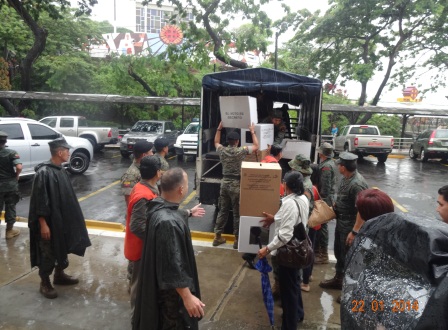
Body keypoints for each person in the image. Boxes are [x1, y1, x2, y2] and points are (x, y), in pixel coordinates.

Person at [133, 168, 205, 330]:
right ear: (181, 189)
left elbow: (172, 211)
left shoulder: (156, 206)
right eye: (187, 184)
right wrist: (187, 297)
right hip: (171, 296)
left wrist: (188, 213)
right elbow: (172, 265)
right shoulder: (168, 223)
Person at [28, 137, 91, 299]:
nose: (69, 153)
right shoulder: (43, 173)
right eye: (67, 151)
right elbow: (39, 201)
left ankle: (59, 275)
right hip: (48, 222)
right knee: (47, 252)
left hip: (61, 220)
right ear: (60, 152)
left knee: (62, 246)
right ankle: (45, 282)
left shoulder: (60, 169)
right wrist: (43, 224)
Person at [258, 171, 310, 329]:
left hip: (289, 253)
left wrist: (267, 249)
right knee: (294, 284)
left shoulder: (288, 203)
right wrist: (276, 218)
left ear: (286, 185)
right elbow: (295, 219)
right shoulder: (302, 198)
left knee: (288, 292)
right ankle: (298, 313)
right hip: (300, 249)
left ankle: (289, 324)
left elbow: (285, 235)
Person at [319, 152, 368, 291]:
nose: (337, 166)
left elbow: (362, 211)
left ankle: (349, 291)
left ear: (343, 167)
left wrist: (354, 231)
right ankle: (339, 280)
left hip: (350, 226)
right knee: (340, 253)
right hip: (341, 223)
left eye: (339, 164)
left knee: (350, 258)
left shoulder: (357, 184)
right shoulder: (346, 178)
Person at [125, 155, 161, 324]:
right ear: (158, 172)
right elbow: (137, 226)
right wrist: (155, 238)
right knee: (137, 287)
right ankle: (136, 320)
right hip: (140, 249)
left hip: (143, 247)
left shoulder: (147, 188)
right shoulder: (143, 195)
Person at [213, 121, 259, 249]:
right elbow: (256, 146)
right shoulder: (241, 151)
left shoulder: (222, 150)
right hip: (236, 185)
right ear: (237, 141)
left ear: (228, 141)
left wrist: (218, 128)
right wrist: (252, 131)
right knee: (236, 213)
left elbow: (216, 142)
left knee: (223, 211)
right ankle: (236, 240)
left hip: (224, 183)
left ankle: (217, 237)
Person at [241, 144, 283, 269]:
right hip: (267, 197)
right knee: (269, 226)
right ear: (279, 153)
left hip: (258, 196)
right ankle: (251, 254)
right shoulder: (274, 164)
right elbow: (272, 183)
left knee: (262, 225)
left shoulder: (266, 159)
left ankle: (251, 253)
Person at [314, 142, 337, 264]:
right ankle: (319, 251)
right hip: (326, 198)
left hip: (324, 199)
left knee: (322, 227)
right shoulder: (328, 164)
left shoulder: (326, 167)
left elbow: (325, 188)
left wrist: (320, 199)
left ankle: (323, 254)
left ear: (322, 153)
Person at [301, 163, 322, 293]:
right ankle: (309, 275)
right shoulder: (316, 187)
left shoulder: (308, 188)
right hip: (316, 224)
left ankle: (305, 283)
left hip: (309, 223)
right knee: (311, 249)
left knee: (306, 252)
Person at [0, 131, 22, 239]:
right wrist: (17, 175)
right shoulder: (11, 153)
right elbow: (18, 167)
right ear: (5, 141)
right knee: (10, 207)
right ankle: (9, 231)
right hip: (10, 185)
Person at [121, 140, 154, 206]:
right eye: (151, 151)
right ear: (144, 155)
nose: (152, 154)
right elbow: (129, 200)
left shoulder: (146, 168)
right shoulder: (130, 175)